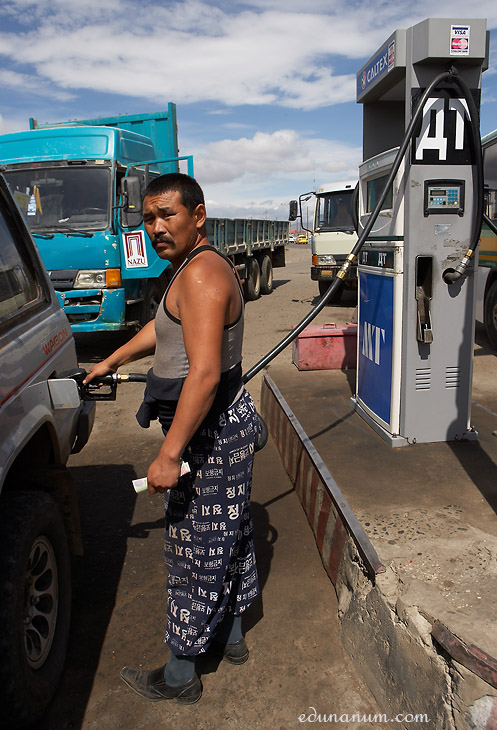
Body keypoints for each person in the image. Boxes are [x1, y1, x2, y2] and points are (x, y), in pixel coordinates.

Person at [84, 173, 260, 704]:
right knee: (228, 536)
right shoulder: (187, 270)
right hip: (220, 430)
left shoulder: (203, 276)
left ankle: (181, 675)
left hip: (210, 436)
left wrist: (168, 454)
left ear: (199, 216)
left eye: (168, 216)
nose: (157, 228)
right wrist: (113, 359)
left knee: (194, 547)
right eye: (149, 218)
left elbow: (204, 374)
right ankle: (230, 636)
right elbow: (164, 328)